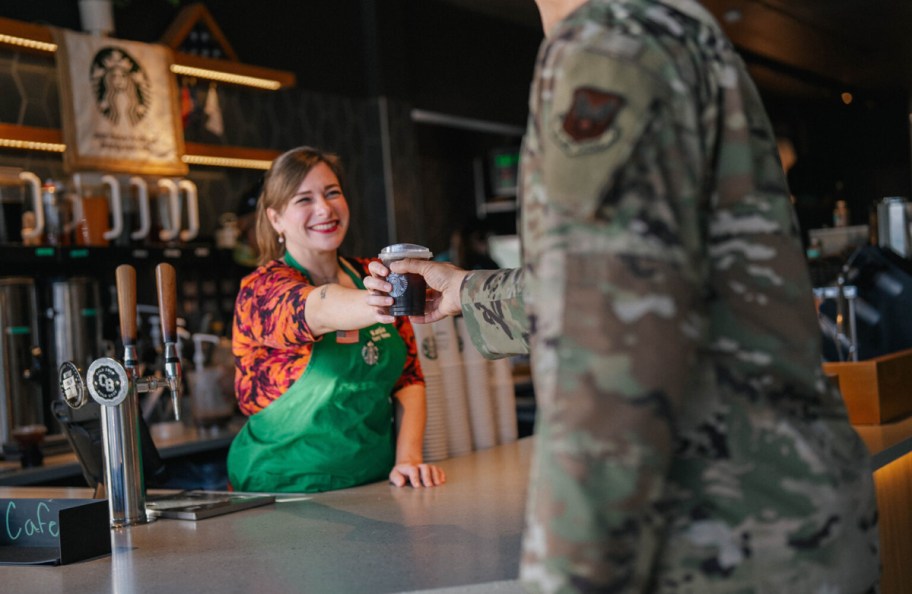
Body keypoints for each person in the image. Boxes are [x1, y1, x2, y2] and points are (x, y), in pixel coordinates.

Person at [366, 0, 879, 591]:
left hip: (720, 541)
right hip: (778, 522)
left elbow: (613, 342)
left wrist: (570, 575)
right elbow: (630, 281)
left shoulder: (605, 47)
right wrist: (463, 291)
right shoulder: (670, 31)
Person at [227, 146, 446, 493]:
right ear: (275, 219)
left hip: (373, 484)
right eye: (304, 199)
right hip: (280, 491)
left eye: (332, 193)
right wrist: (390, 299)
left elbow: (409, 379)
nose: (324, 209)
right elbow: (315, 308)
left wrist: (408, 459)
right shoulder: (261, 290)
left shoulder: (371, 273)